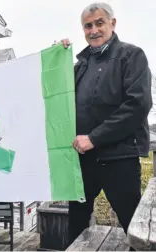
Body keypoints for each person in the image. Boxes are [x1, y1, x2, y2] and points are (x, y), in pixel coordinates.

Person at [59, 2, 153, 243]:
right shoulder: (80, 66)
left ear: (112, 23)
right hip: (82, 162)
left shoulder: (132, 56)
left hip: (119, 159)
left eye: (99, 23)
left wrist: (94, 138)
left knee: (135, 228)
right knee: (76, 225)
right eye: (87, 26)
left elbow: (138, 105)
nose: (93, 30)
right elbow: (58, 97)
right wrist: (58, 59)